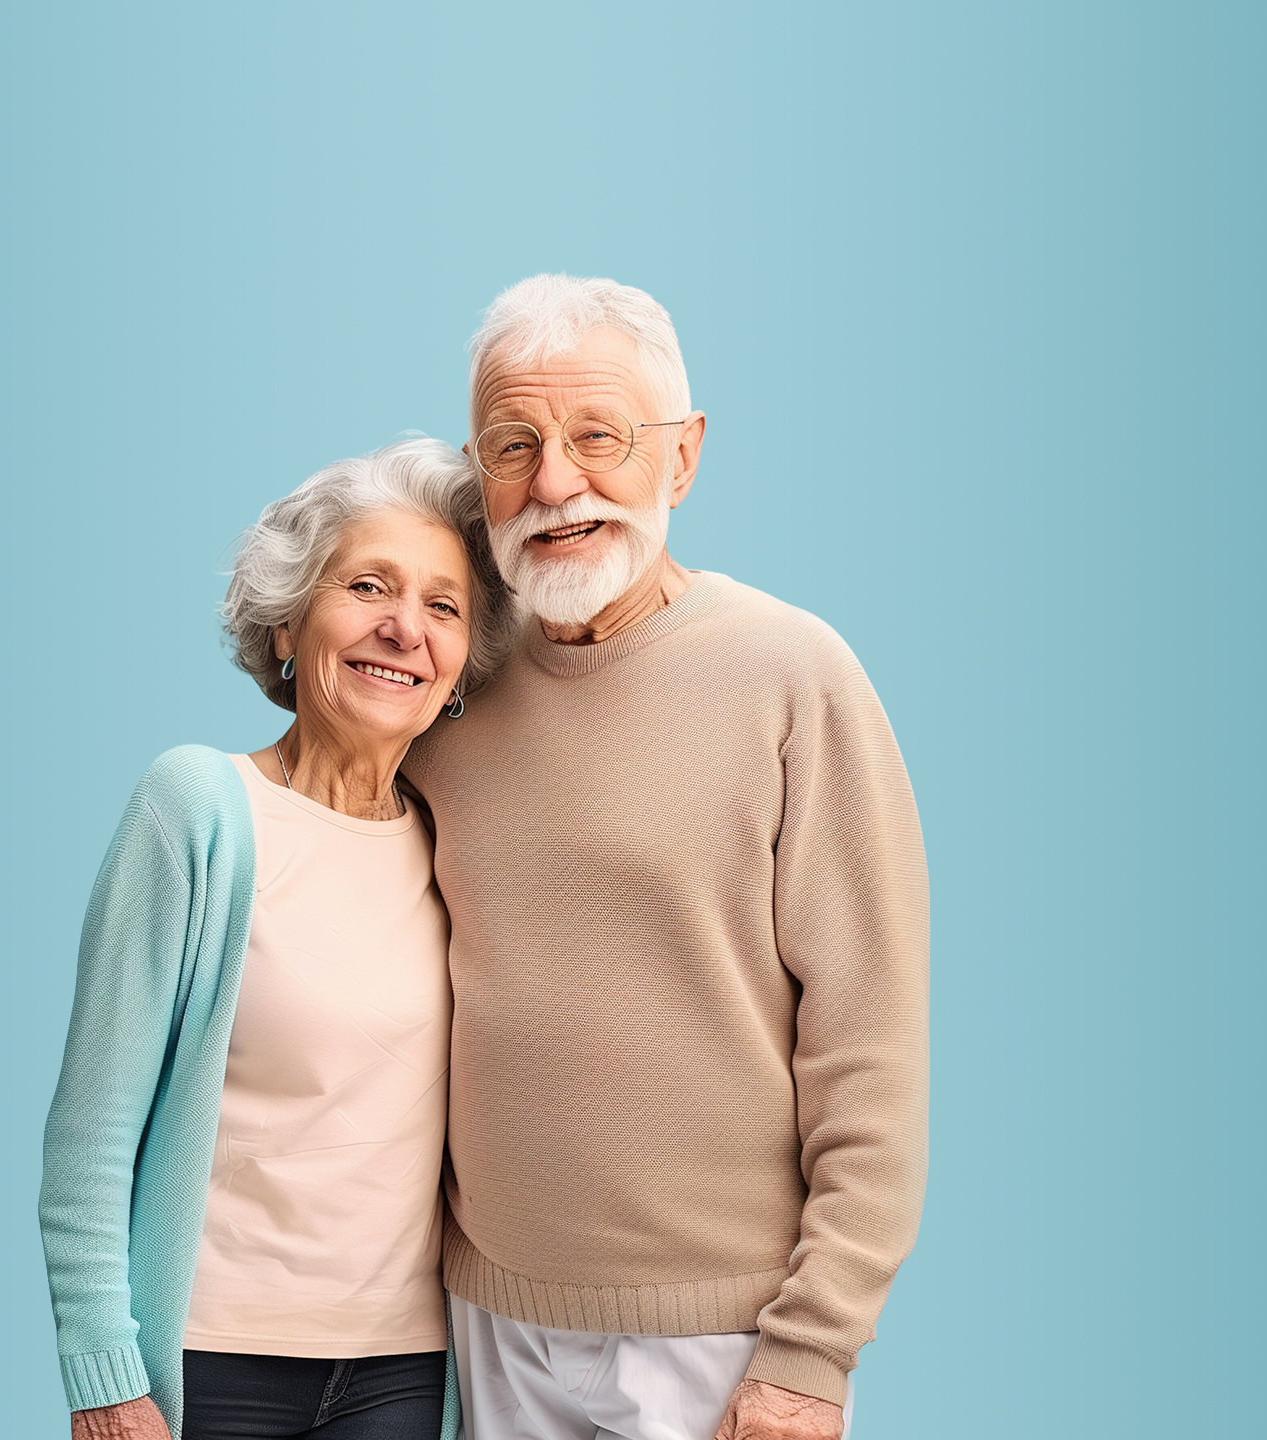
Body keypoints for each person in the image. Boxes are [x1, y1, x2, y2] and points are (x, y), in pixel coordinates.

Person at [396, 276, 931, 1440]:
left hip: (728, 1337)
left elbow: (869, 1039)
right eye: (512, 444)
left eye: (599, 437)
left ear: (681, 459)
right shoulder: (445, 689)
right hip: (492, 1321)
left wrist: (810, 1353)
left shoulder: (792, 677)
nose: (553, 483)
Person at [39, 438, 516, 1440]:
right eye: (367, 586)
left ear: (460, 671)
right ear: (290, 623)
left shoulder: (457, 845)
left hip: (401, 1370)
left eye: (441, 606)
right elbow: (90, 1134)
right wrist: (102, 1374)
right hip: (211, 1366)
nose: (402, 628)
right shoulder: (198, 809)